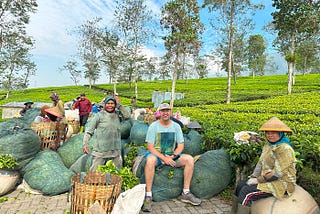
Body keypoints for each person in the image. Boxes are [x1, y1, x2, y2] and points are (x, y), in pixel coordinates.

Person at [141, 103, 201, 212]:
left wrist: (173, 156)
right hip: (157, 156)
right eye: (163, 111)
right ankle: (148, 195)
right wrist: (164, 158)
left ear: (170, 112)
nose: (165, 113)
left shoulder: (176, 126)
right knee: (150, 161)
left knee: (189, 159)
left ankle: (186, 193)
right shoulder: (153, 126)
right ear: (159, 113)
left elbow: (181, 145)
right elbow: (150, 147)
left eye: (167, 110)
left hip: (172, 156)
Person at [231, 117, 297, 214]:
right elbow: (260, 162)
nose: (270, 135)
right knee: (240, 185)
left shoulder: (285, 149)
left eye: (273, 133)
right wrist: (254, 176)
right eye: (268, 133)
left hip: (281, 182)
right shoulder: (268, 145)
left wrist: (258, 180)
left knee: (246, 193)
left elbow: (277, 174)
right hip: (266, 177)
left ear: (281, 133)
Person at [82, 95, 130, 172]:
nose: (110, 105)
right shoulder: (99, 115)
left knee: (116, 175)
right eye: (108, 103)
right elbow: (89, 131)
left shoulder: (118, 115)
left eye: (112, 103)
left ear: (115, 105)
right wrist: (85, 144)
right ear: (104, 104)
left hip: (115, 152)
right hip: (100, 152)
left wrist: (119, 104)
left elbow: (127, 116)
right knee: (95, 175)